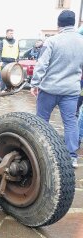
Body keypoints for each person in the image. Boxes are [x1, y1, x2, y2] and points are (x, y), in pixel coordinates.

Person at [30, 10, 83, 169]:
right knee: (70, 122)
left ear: (58, 24)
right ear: (73, 23)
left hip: (49, 89)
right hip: (71, 91)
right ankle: (72, 157)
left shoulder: (52, 41)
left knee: (41, 122)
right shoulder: (82, 41)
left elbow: (42, 64)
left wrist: (35, 83)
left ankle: (41, 153)